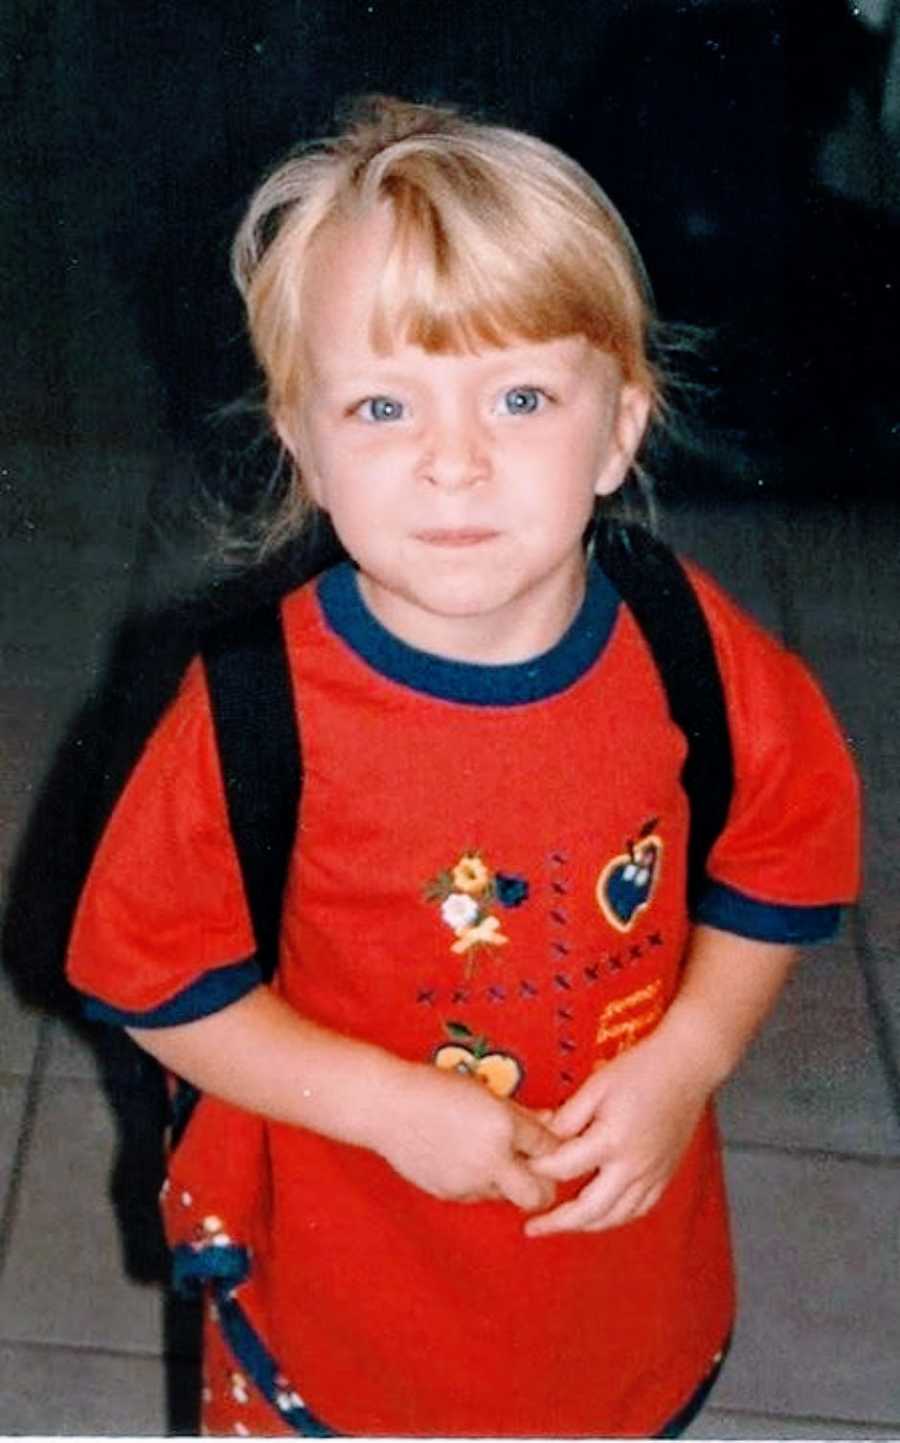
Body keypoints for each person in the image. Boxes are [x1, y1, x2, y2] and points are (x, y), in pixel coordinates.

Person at [67, 96, 860, 1438]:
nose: (454, 461)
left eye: (522, 395)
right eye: (383, 403)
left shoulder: (685, 644)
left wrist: (690, 1058)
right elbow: (149, 976)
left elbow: (787, 846)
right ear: (302, 444)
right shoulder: (257, 708)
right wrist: (383, 1107)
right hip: (350, 1281)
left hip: (612, 1281)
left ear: (620, 427)